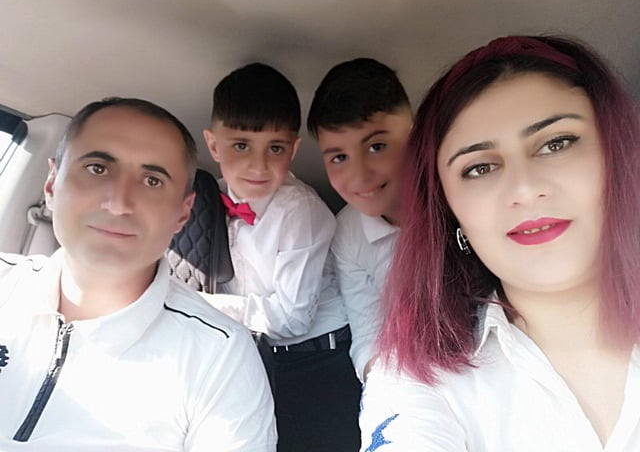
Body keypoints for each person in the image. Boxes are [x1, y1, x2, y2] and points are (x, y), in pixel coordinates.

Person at [358, 36, 640, 451]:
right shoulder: (415, 380)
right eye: (480, 168)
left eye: (556, 144)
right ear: (450, 213)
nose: (524, 190)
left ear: (619, 156)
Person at [0, 98, 277, 451]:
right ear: (52, 184)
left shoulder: (220, 355)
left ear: (183, 213)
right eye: (97, 168)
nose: (119, 203)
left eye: (152, 181)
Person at [202, 63, 361, 452]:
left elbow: (291, 319)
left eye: (275, 148)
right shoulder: (206, 198)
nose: (258, 166)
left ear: (293, 149)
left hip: (317, 361)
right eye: (241, 145)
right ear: (214, 146)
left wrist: (205, 307)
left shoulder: (298, 211)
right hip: (257, 356)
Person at [307, 58, 412, 382]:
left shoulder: (460, 202)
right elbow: (369, 334)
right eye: (339, 157)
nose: (360, 175)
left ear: (414, 135)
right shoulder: (347, 233)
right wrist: (385, 387)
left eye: (377, 146)